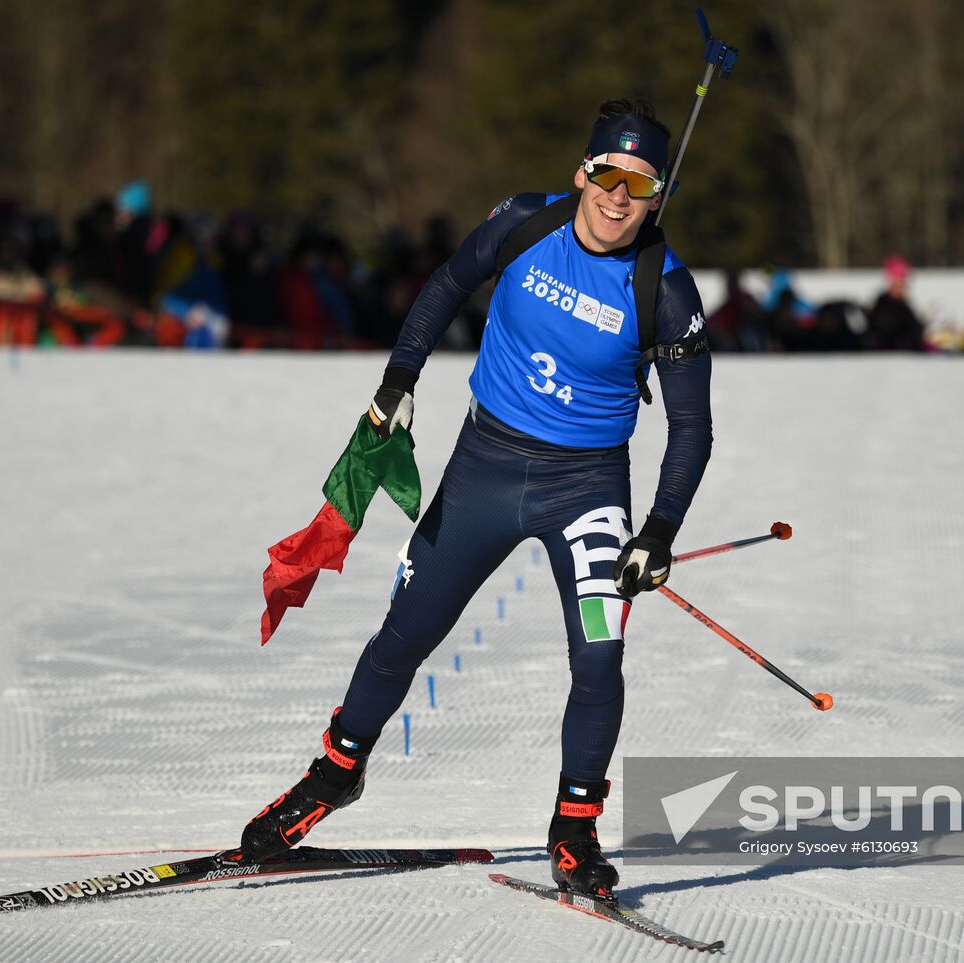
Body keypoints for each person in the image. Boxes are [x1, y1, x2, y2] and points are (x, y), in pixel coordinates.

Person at [238, 98, 713, 898]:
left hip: (588, 490)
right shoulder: (526, 224)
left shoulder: (664, 287)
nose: (618, 196)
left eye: (639, 182)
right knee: (402, 636)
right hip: (482, 470)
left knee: (600, 656)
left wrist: (657, 531)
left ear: (658, 194)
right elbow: (447, 283)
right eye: (607, 174)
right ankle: (334, 774)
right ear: (582, 173)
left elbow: (693, 427)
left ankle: (574, 829)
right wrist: (400, 378)